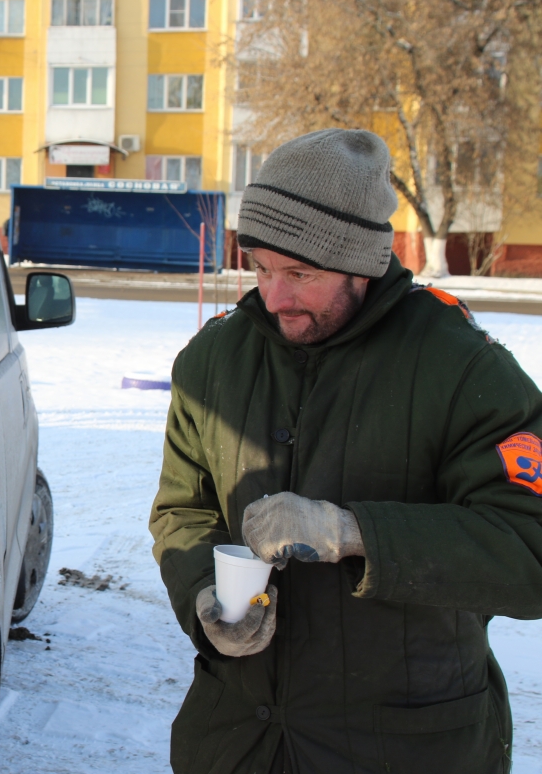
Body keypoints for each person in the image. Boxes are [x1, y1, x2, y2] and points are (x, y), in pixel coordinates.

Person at [150, 128, 542, 774]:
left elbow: (529, 545)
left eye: (299, 273)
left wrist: (356, 533)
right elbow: (181, 515)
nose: (273, 298)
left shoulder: (460, 366)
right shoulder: (213, 362)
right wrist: (201, 597)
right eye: (262, 268)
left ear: (362, 262)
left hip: (407, 749)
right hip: (238, 746)